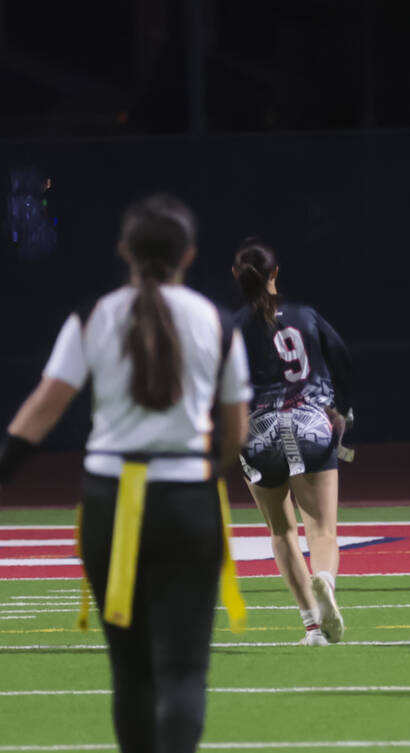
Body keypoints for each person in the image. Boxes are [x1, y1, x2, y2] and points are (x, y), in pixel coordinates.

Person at [0, 194, 251, 751]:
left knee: (131, 671)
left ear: (124, 251)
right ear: (187, 255)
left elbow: (43, 407)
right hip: (188, 498)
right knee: (184, 671)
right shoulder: (214, 320)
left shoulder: (95, 316)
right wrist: (207, 468)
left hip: (112, 499)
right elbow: (237, 427)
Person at [232, 237, 352, 645]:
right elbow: (343, 358)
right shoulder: (304, 314)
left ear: (238, 277)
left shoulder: (231, 328)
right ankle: (325, 585)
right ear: (274, 274)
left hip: (259, 430)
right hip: (310, 423)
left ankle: (312, 627)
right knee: (322, 529)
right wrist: (342, 409)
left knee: (281, 531)